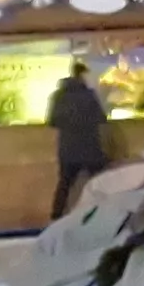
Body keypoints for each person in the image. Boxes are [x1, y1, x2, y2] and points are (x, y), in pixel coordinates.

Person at [47, 63, 108, 216]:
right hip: (90, 147)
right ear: (82, 76)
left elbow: (52, 121)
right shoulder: (89, 95)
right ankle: (103, 213)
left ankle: (56, 215)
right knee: (102, 181)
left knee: (65, 184)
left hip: (68, 149)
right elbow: (101, 118)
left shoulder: (58, 96)